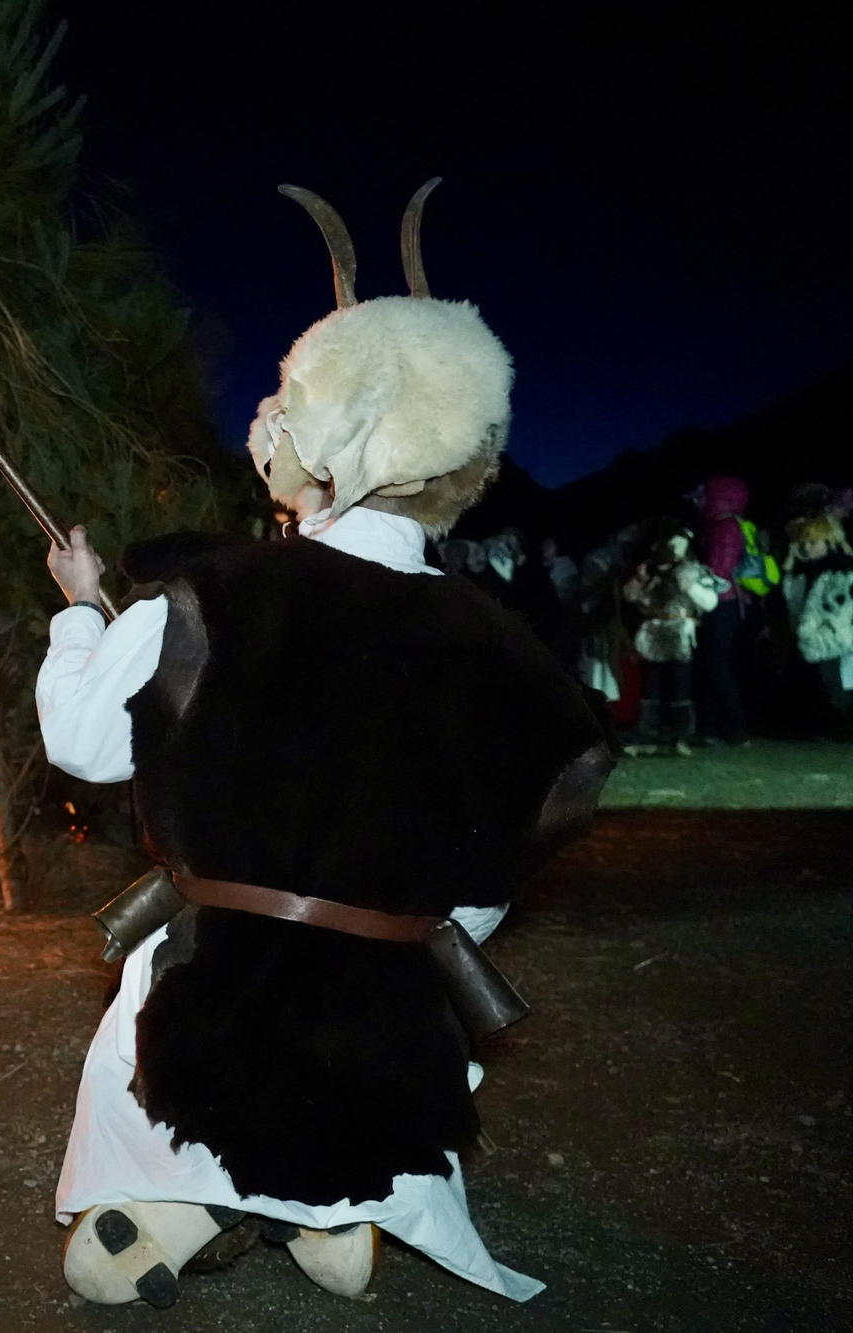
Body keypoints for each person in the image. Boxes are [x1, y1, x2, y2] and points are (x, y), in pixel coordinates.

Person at [36, 182, 609, 1308]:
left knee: (123, 1153)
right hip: (383, 1032)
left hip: (205, 1012)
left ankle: (209, 1203)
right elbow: (503, 866)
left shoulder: (207, 596)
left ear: (328, 448)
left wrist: (79, 615)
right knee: (378, 1056)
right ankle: (331, 1211)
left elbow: (83, 746)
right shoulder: (514, 663)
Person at [622, 520, 725, 757]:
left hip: (679, 633)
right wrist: (639, 580)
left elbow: (710, 602)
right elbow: (629, 597)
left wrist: (691, 588)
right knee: (651, 688)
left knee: (679, 687)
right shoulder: (648, 570)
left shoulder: (692, 570)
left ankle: (680, 737)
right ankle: (646, 736)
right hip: (652, 634)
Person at [693, 477, 756, 745]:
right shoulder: (723, 525)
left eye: (703, 496)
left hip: (720, 603)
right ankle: (710, 728)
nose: (698, 502)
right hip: (726, 603)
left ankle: (735, 730)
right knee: (712, 665)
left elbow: (718, 571)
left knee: (717, 666)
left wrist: (698, 594)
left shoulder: (724, 527)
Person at [782, 509, 853, 737]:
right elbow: (793, 602)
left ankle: (839, 726)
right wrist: (791, 561)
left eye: (813, 542)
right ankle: (825, 725)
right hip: (812, 636)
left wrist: (825, 629)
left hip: (831, 637)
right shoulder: (807, 569)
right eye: (803, 542)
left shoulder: (840, 570)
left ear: (829, 542)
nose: (806, 548)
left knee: (834, 683)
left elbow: (840, 607)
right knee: (821, 683)